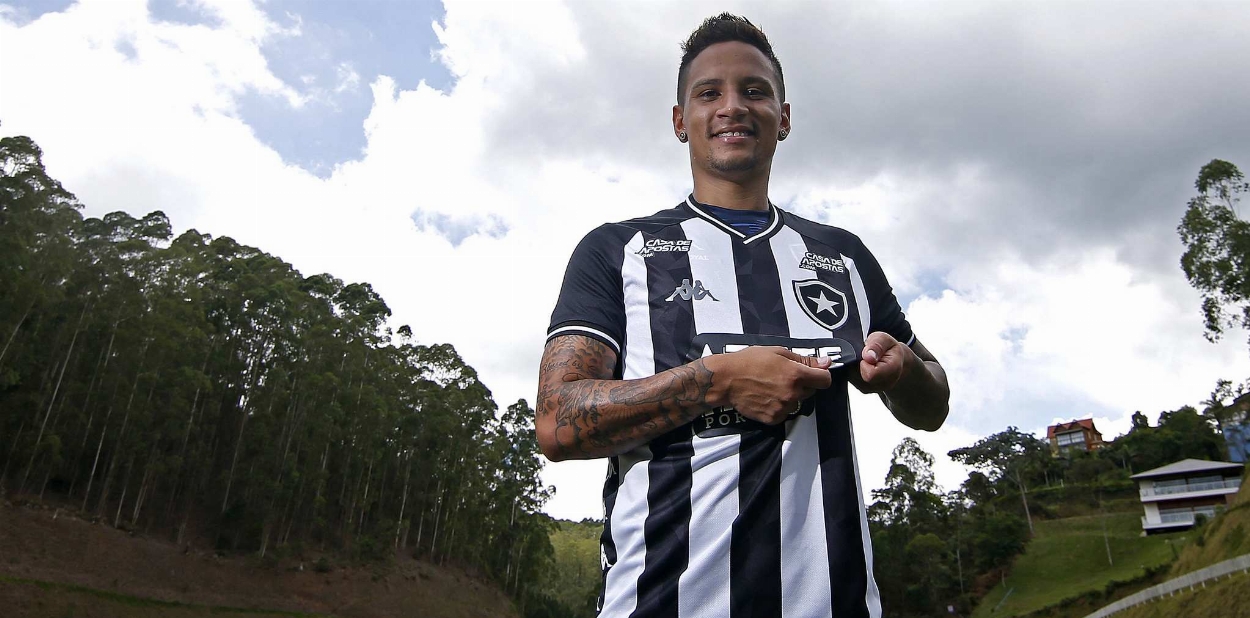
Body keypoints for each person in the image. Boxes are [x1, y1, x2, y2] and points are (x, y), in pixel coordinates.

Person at [536, 13, 950, 618]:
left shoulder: (842, 256)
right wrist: (718, 380)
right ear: (680, 121)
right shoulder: (616, 250)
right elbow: (556, 421)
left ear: (783, 117)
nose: (733, 106)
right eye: (709, 93)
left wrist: (903, 370)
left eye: (754, 90)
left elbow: (932, 403)